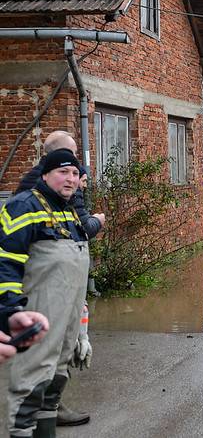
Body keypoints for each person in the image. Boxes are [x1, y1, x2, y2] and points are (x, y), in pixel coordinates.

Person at [0, 149, 91, 437]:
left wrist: (81, 323)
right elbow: (5, 262)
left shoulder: (69, 212)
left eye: (75, 173)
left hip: (66, 320)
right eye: (63, 172)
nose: (70, 179)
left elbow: (73, 272)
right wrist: (11, 311)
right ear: (45, 175)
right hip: (35, 319)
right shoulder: (23, 207)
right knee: (30, 389)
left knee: (54, 384)